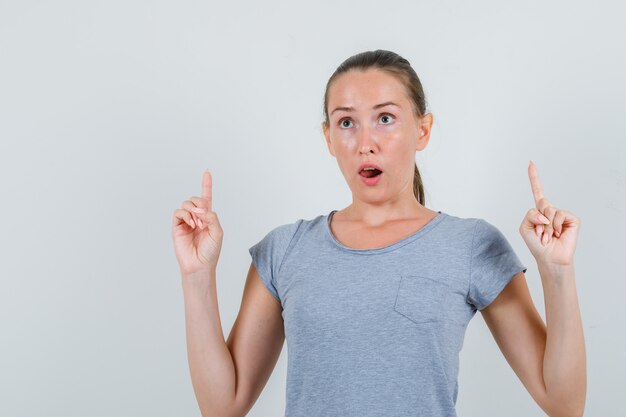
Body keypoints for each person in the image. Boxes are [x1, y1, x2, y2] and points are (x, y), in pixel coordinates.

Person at [171, 49, 586, 417]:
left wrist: (557, 272)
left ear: (422, 130)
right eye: (346, 122)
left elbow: (565, 405)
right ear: (328, 138)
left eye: (385, 118)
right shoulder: (286, 250)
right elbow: (222, 406)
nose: (365, 142)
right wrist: (196, 276)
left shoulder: (471, 246)